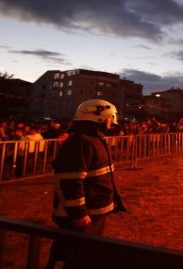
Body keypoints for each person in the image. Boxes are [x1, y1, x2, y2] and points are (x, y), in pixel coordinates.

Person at [46, 99, 125, 269]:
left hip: (94, 212)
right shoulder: (80, 142)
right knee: (68, 257)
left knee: (85, 257)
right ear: (99, 117)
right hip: (80, 217)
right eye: (110, 117)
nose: (112, 121)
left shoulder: (95, 139)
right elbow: (70, 180)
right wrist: (78, 213)